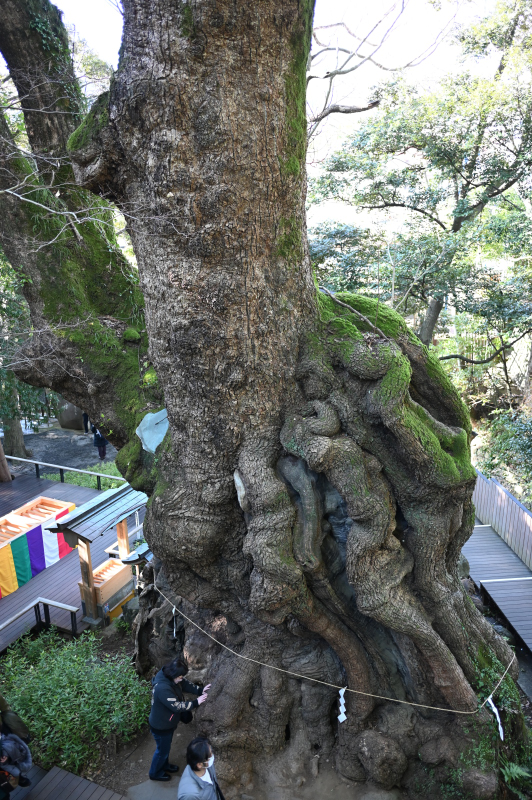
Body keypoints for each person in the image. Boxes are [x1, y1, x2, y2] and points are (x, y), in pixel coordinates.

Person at [148, 659, 210, 782]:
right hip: (161, 726)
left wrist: (200, 690)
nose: (181, 679)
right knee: (162, 751)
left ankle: (164, 765)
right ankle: (155, 773)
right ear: (173, 675)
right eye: (180, 676)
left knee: (165, 748)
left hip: (167, 723)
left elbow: (185, 684)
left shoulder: (171, 677)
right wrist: (196, 702)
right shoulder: (162, 689)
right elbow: (177, 706)